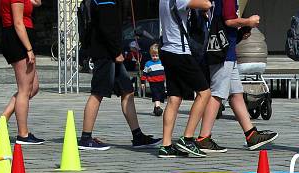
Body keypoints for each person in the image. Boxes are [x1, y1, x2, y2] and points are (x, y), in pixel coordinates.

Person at [195, 0, 278, 153]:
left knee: (236, 94)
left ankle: (251, 134)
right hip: (223, 53)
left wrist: (240, 32)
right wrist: (249, 21)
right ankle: (203, 138)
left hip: (228, 51)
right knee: (218, 93)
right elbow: (229, 20)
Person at [78, 0, 160, 151]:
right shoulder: (105, 0)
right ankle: (85, 137)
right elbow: (107, 27)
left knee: (127, 91)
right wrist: (117, 52)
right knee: (98, 92)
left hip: (110, 53)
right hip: (106, 54)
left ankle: (137, 136)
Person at [158, 0, 213, 158]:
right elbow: (207, 4)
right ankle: (187, 138)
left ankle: (166, 145)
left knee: (174, 98)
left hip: (167, 50)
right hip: (180, 53)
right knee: (204, 92)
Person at [0, 0, 43, 144]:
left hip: (18, 37)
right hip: (18, 38)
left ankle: (3, 118)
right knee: (24, 89)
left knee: (33, 87)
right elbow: (18, 23)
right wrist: (29, 49)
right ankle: (23, 134)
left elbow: (37, 3)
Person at [143, 43, 166, 116]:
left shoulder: (162, 62)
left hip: (161, 81)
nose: (155, 57)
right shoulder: (148, 64)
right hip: (153, 82)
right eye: (153, 56)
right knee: (156, 95)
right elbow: (144, 73)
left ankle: (155, 108)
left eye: (156, 55)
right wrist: (143, 82)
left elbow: (166, 71)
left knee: (160, 94)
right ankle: (158, 108)